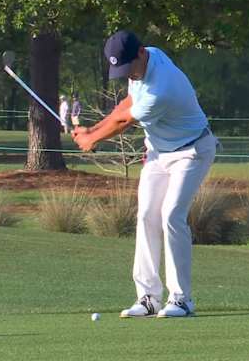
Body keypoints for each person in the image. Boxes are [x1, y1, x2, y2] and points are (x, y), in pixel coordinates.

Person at [72, 30, 217, 318]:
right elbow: (126, 103)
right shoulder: (149, 55)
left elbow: (126, 120)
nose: (129, 75)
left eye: (129, 68)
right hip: (158, 153)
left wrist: (94, 139)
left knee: (171, 215)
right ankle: (148, 297)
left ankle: (181, 300)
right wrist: (93, 128)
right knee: (146, 215)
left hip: (192, 150)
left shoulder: (161, 88)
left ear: (140, 54)